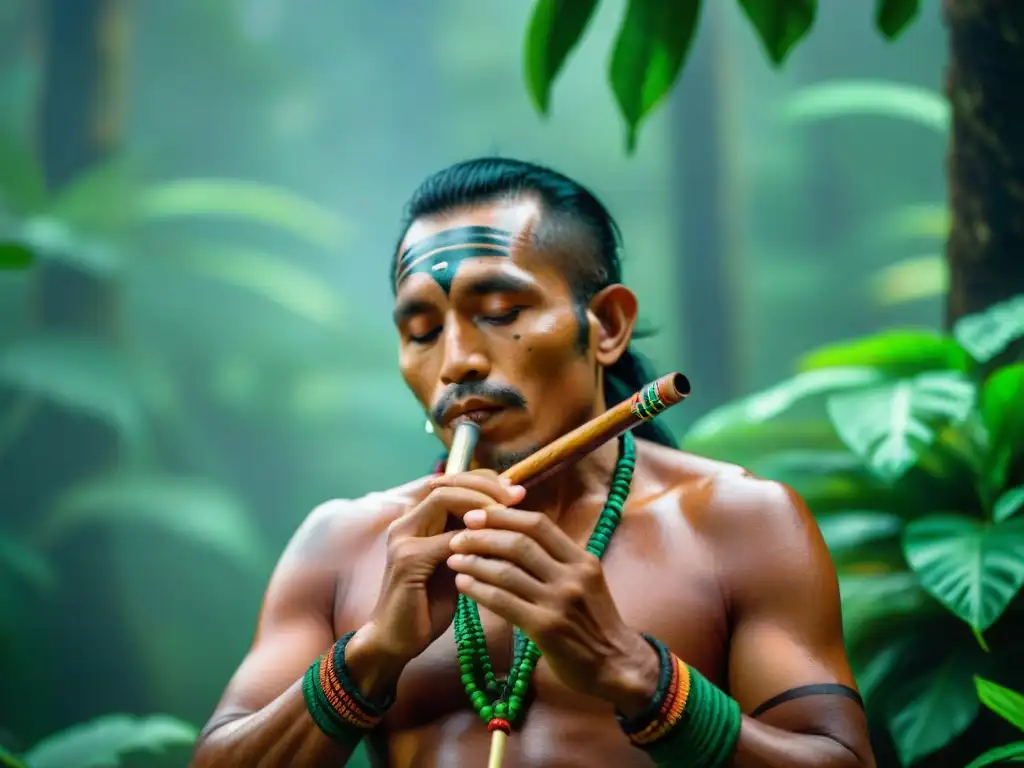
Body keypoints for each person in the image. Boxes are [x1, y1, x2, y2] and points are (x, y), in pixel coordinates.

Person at [190, 158, 875, 768]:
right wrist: (371, 655)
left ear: (605, 326)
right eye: (422, 331)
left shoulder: (738, 524)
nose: (456, 361)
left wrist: (635, 673)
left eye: (500, 310)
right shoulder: (343, 545)